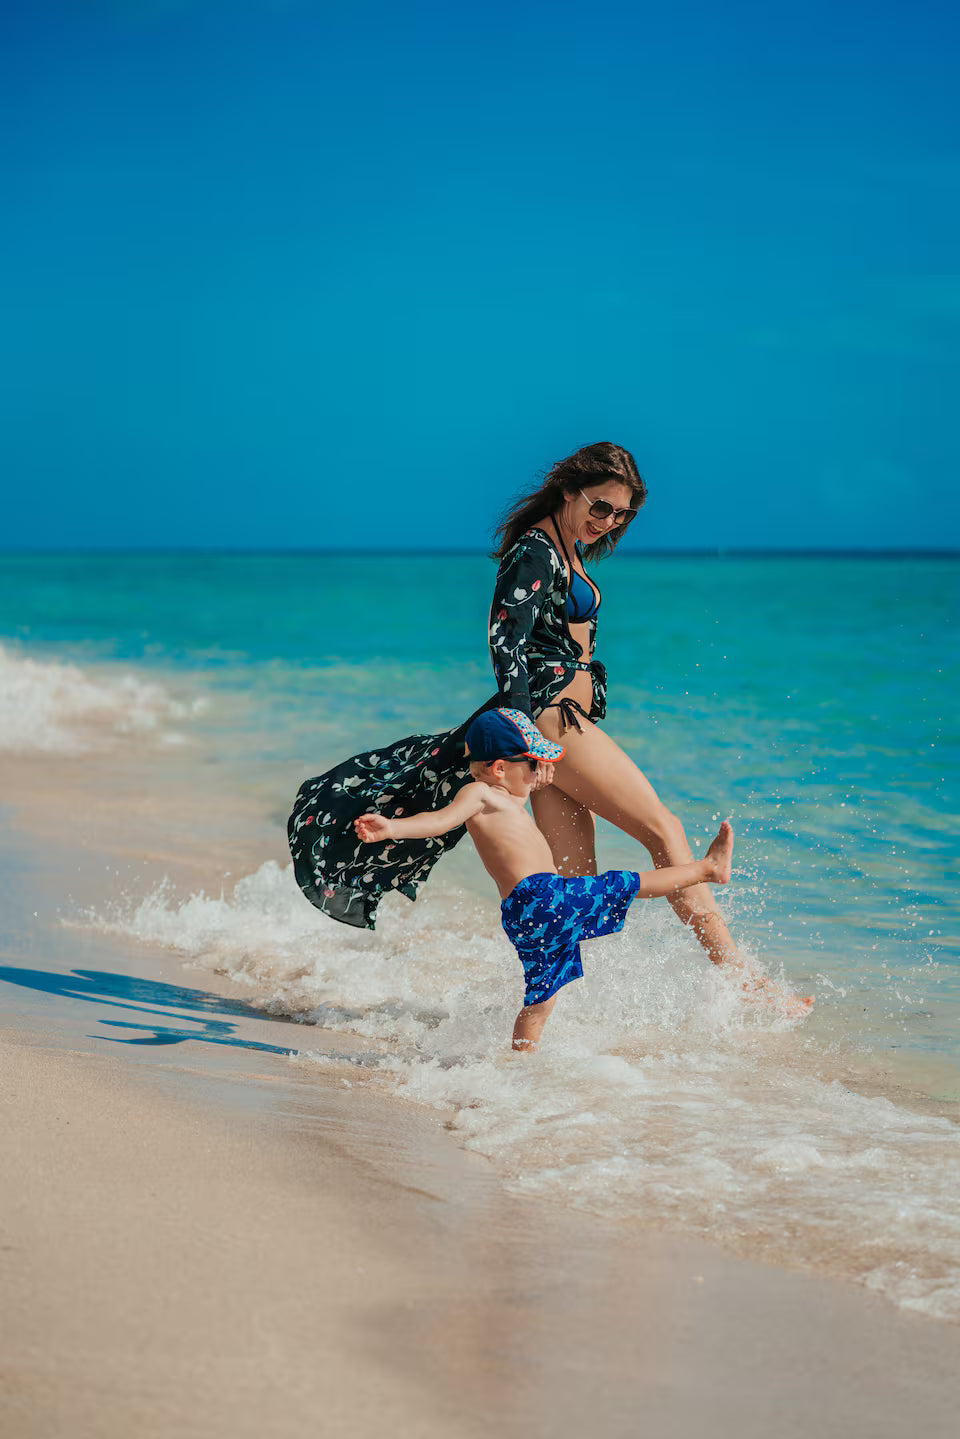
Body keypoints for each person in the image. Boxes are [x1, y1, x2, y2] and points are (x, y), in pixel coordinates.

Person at [488, 441, 813, 1018]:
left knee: (573, 888)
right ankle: (743, 980)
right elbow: (505, 643)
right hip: (551, 721)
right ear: (569, 490)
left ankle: (541, 1032)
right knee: (665, 831)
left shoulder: (565, 545)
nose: (608, 521)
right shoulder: (535, 550)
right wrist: (525, 738)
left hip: (553, 724)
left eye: (622, 514)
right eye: (600, 507)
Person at [353, 707, 737, 1052]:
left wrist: (533, 775)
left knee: (541, 1000)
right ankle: (708, 868)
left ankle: (521, 1064)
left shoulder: (505, 798)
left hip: (525, 913)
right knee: (625, 884)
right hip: (541, 897)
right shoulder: (479, 794)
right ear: (499, 768)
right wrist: (393, 828)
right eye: (533, 764)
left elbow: (520, 792)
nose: (539, 772)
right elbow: (439, 821)